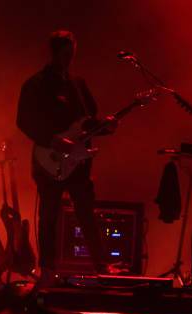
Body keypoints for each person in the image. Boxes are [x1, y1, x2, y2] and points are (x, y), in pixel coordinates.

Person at [16, 30, 117, 285]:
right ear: (55, 52)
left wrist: (106, 126)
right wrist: (51, 139)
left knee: (86, 211)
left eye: (72, 52)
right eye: (65, 52)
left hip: (78, 162)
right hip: (49, 159)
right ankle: (47, 269)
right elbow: (23, 121)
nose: (69, 57)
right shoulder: (36, 83)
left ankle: (101, 265)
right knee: (49, 214)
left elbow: (88, 122)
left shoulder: (78, 84)